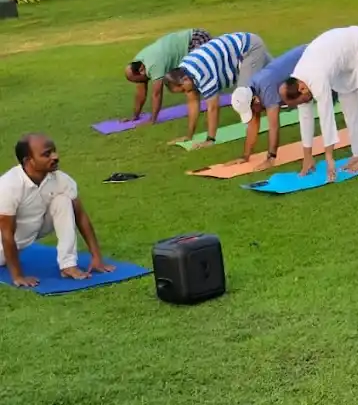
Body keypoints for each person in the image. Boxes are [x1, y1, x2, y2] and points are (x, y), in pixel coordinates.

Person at [280, 26, 358, 183]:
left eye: (304, 100)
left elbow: (326, 118)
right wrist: (307, 156)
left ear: (302, 89)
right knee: (348, 106)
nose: (307, 103)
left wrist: (329, 158)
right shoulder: (298, 79)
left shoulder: (316, 78)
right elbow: (305, 118)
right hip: (342, 60)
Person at [0, 134, 114, 288]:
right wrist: (18, 276)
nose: (55, 157)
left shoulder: (61, 179)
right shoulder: (8, 185)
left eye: (54, 151)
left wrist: (97, 257)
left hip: (32, 228)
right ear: (28, 161)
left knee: (63, 200)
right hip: (4, 240)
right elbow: (6, 233)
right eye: (46, 154)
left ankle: (68, 265)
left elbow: (81, 216)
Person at [163, 32, 271, 147]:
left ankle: (255, 128)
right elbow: (193, 103)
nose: (186, 93)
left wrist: (210, 139)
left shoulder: (203, 74)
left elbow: (213, 107)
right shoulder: (185, 72)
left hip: (249, 48)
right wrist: (189, 136)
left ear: (185, 79)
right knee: (276, 74)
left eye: (184, 90)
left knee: (243, 95)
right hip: (241, 45)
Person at [228, 45, 308, 167]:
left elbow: (274, 125)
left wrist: (271, 157)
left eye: (252, 111)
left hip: (309, 55)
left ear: (255, 101)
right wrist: (245, 156)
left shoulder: (266, 87)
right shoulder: (251, 91)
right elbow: (253, 125)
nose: (254, 115)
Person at [124, 28, 211, 124]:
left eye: (138, 80)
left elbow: (157, 94)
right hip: (189, 41)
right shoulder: (138, 62)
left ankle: (207, 104)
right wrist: (135, 116)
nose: (139, 83)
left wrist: (153, 119)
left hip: (196, 38)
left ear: (141, 71)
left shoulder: (154, 65)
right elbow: (140, 93)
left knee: (196, 75)